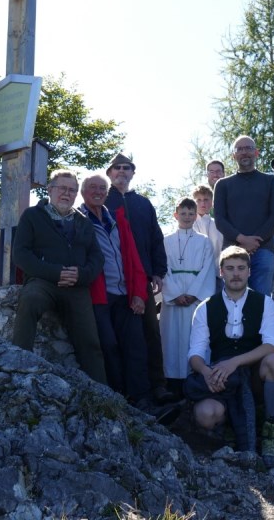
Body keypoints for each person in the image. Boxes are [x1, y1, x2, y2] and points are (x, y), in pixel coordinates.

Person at [79, 174, 176, 420]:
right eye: (93, 188)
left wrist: (138, 294)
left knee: (137, 346)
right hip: (99, 296)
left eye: (102, 188)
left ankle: (143, 402)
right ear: (83, 192)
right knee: (109, 346)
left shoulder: (116, 219)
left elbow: (132, 258)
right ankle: (119, 400)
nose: (98, 192)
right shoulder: (77, 220)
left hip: (126, 295)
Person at [185, 246, 274, 464]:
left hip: (253, 375)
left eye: (241, 268)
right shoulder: (205, 307)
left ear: (249, 272)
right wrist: (205, 372)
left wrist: (235, 362)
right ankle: (231, 426)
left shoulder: (265, 302)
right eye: (230, 268)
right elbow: (195, 353)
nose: (236, 273)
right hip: (221, 376)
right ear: (221, 272)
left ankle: (271, 428)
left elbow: (272, 345)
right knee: (205, 414)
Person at [12, 170, 107, 384]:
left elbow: (97, 258)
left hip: (76, 286)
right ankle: (16, 366)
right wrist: (55, 272)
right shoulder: (32, 216)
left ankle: (104, 394)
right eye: (62, 188)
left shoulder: (83, 222)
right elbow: (21, 254)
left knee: (91, 341)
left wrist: (81, 275)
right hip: (43, 281)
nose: (67, 193)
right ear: (50, 190)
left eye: (72, 190)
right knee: (30, 301)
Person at [104, 153, 175, 403]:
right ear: (109, 173)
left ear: (133, 173)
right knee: (118, 338)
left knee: (150, 334)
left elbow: (156, 238)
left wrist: (158, 270)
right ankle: (122, 390)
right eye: (117, 168)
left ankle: (158, 386)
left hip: (142, 281)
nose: (122, 171)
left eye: (127, 168)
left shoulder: (144, 204)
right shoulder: (102, 201)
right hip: (111, 282)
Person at [213, 136, 274, 296]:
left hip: (263, 250)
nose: (244, 152)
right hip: (232, 251)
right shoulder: (222, 185)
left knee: (261, 300)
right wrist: (242, 240)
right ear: (233, 155)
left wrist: (254, 242)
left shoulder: (271, 181)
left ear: (256, 152)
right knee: (232, 300)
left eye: (248, 148)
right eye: (240, 149)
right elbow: (220, 220)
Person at [161, 197, 216, 394]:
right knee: (171, 339)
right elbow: (162, 268)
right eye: (183, 213)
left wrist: (193, 294)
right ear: (175, 214)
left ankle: (196, 381)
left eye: (191, 213)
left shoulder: (204, 241)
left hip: (195, 298)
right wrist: (175, 294)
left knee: (195, 337)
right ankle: (173, 383)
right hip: (173, 296)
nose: (187, 217)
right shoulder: (165, 241)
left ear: (196, 216)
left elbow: (207, 268)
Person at [192, 184, 223, 269]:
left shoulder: (218, 224)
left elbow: (221, 250)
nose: (202, 203)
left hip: (216, 271)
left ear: (212, 202)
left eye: (206, 200)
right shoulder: (188, 224)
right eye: (198, 200)